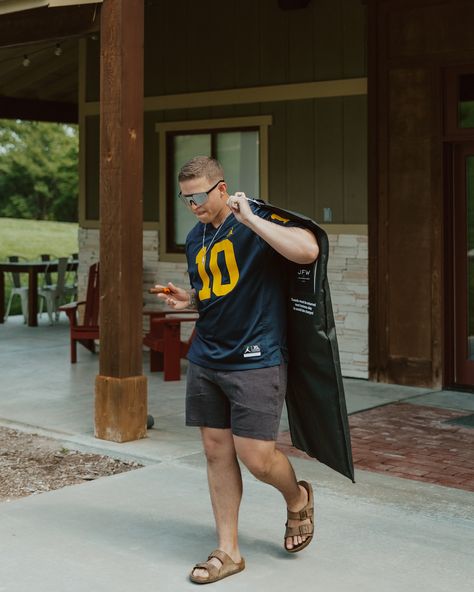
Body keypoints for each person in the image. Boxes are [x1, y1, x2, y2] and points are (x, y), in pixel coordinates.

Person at [154, 156, 319, 585]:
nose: (193, 206)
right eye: (186, 199)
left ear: (223, 189)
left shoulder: (256, 221)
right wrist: (189, 299)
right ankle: (228, 550)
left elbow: (309, 250)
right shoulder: (196, 238)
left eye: (200, 197)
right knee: (215, 451)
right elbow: (217, 289)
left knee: (258, 458)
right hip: (208, 355)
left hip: (256, 356)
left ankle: (297, 496)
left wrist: (252, 220)